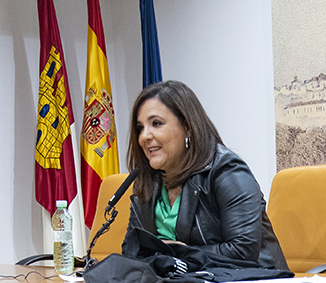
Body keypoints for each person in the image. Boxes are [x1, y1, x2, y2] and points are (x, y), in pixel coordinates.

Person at [122, 80, 288, 271]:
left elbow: (243, 251)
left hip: (252, 282)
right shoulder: (147, 182)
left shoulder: (226, 170)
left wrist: (179, 253)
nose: (144, 136)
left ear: (187, 127)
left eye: (156, 123)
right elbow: (131, 250)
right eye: (140, 128)